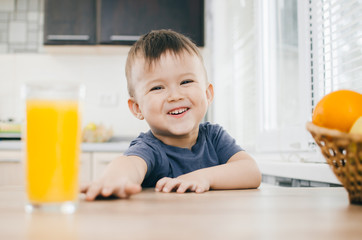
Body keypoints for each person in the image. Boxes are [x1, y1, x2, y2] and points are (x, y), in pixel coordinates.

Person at [81, 29, 261, 200]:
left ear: (207, 94)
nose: (175, 96)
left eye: (186, 81)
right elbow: (129, 164)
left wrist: (203, 177)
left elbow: (250, 171)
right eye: (157, 87)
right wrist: (113, 179)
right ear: (137, 107)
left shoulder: (214, 137)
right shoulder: (150, 148)